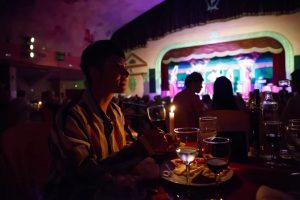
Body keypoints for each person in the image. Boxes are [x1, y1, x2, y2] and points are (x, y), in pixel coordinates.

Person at [45, 40, 170, 200]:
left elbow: (127, 146)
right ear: (95, 73)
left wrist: (158, 148)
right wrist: (143, 147)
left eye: (125, 67)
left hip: (112, 188)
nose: (126, 73)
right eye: (117, 67)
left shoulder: (115, 111)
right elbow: (83, 173)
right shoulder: (72, 115)